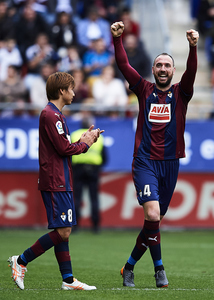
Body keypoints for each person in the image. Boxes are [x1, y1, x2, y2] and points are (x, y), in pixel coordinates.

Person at [111, 21, 199, 288]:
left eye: (167, 66)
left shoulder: (181, 93)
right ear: (153, 69)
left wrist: (193, 48)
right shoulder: (144, 90)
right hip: (145, 161)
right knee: (152, 215)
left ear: (173, 70)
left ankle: (128, 266)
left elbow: (193, 72)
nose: (162, 69)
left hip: (170, 164)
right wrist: (117, 40)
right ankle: (160, 269)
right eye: (158, 65)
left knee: (154, 222)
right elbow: (125, 67)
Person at [8, 71, 104, 291]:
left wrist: (83, 140)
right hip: (55, 180)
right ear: (61, 91)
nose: (74, 92)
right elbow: (63, 149)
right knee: (62, 231)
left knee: (65, 228)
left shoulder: (56, 115)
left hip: (62, 178)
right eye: (71, 88)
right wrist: (86, 143)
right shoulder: (50, 115)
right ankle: (21, 260)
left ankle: (68, 280)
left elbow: (64, 146)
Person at [71, 115, 107, 233]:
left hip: (78, 169)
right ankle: (96, 226)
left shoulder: (75, 135)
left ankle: (75, 226)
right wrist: (98, 167)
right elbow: (105, 157)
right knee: (94, 198)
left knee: (77, 197)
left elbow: (68, 153)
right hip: (93, 169)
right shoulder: (99, 137)